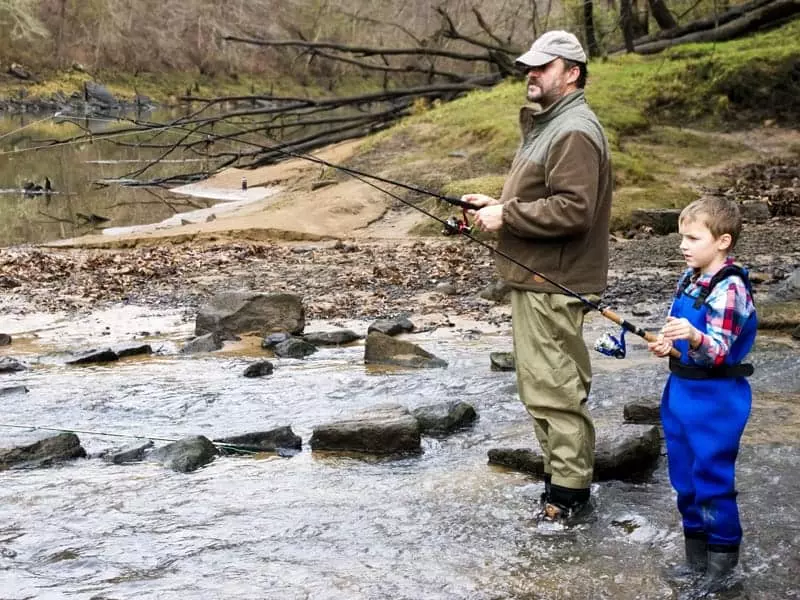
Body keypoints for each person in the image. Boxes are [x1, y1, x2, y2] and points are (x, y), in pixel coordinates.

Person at [462, 30, 613, 526]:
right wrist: (497, 205)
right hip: (539, 280)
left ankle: (568, 503)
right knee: (541, 389)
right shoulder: (551, 125)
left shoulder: (573, 129)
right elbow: (544, 197)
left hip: (555, 282)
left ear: (571, 73)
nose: (532, 72)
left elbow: (575, 211)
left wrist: (510, 216)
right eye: (529, 65)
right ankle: (559, 488)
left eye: (543, 66)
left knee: (555, 392)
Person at [648, 197, 757, 593]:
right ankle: (696, 564)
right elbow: (679, 332)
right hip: (680, 391)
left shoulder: (730, 290)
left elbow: (719, 351)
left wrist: (693, 337)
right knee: (684, 479)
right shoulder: (690, 278)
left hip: (716, 399)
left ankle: (723, 570)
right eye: (682, 237)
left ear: (723, 241)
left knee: (712, 480)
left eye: (693, 238)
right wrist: (667, 344)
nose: (684, 245)